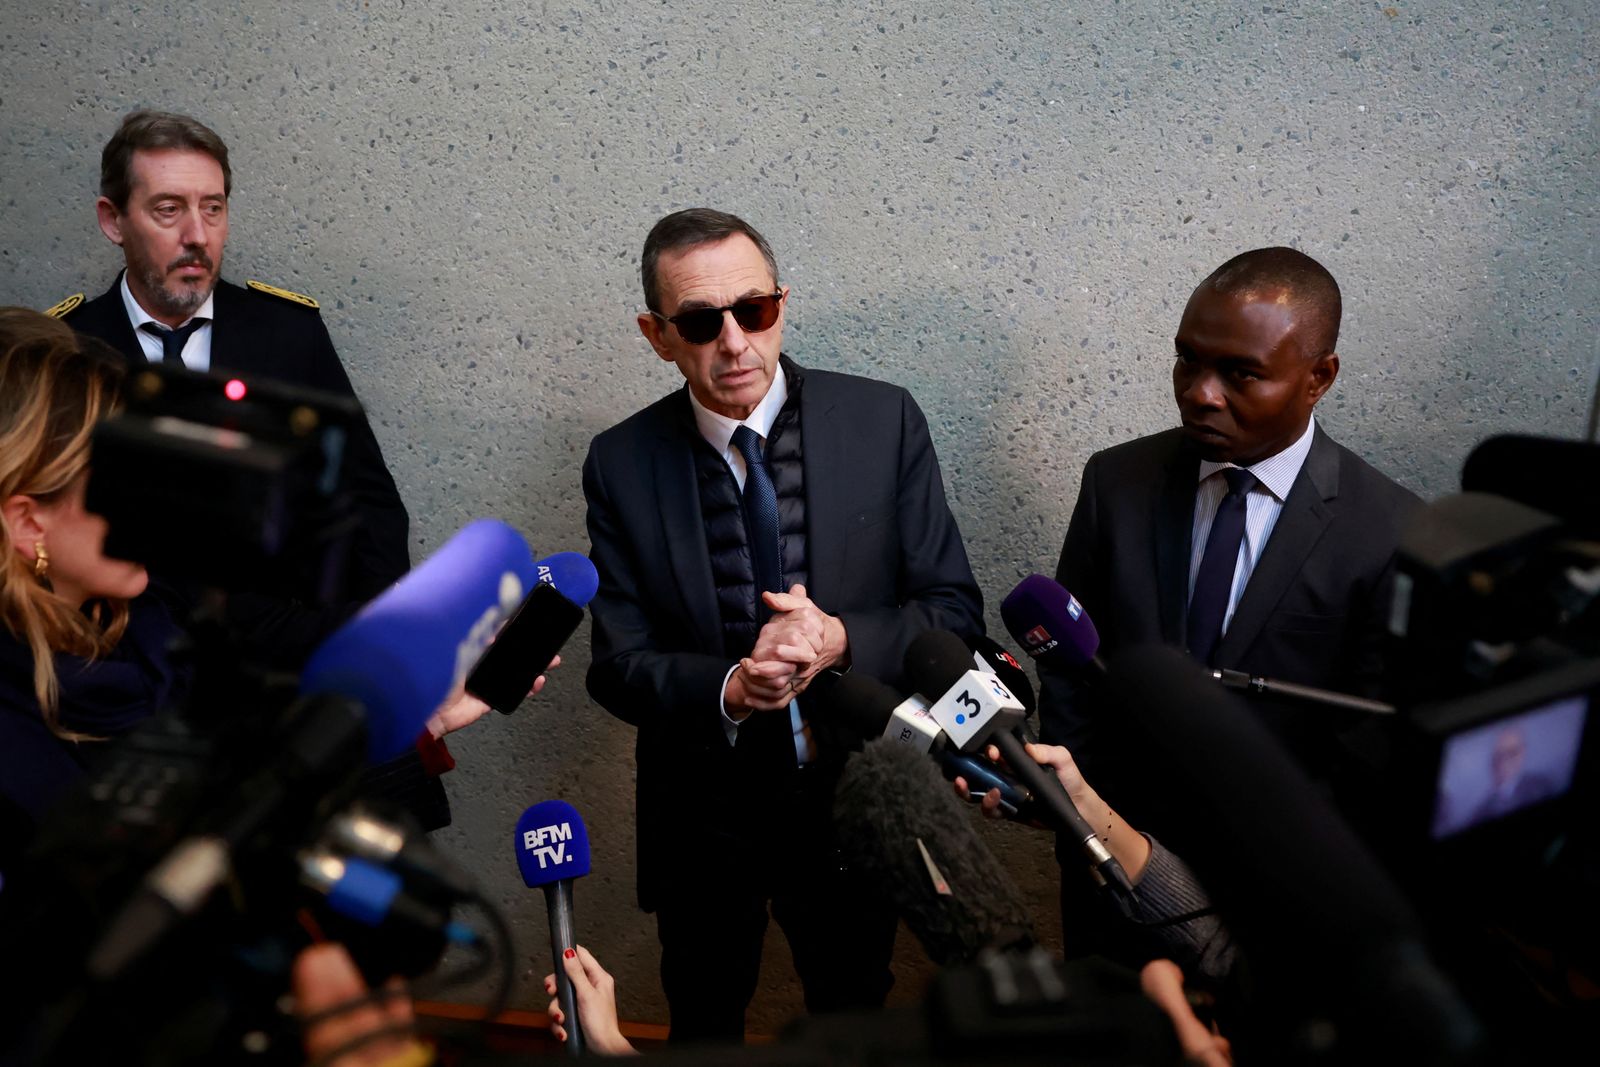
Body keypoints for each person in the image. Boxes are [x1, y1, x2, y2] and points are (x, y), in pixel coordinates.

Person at [583, 208, 983, 1042]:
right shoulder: (619, 461)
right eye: (700, 321)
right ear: (657, 335)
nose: (733, 342)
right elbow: (617, 664)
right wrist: (731, 685)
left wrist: (838, 637)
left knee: (853, 1020)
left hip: (853, 802)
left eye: (753, 311)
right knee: (701, 1022)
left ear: (782, 305)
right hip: (700, 817)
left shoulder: (885, 421)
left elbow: (953, 613)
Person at [45, 109, 410, 666]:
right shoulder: (63, 349)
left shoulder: (288, 333)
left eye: (212, 209)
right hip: (115, 669)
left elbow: (367, 505)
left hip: (279, 666)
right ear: (113, 220)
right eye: (168, 210)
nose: (197, 235)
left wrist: (375, 645)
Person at [1037, 247, 1420, 778]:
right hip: (1107, 832)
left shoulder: (1387, 530)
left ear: (1319, 378)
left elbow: (1369, 738)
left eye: (1241, 374)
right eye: (1188, 360)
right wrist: (1078, 812)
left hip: (1274, 849)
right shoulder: (1117, 482)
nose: (1199, 394)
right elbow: (1068, 660)